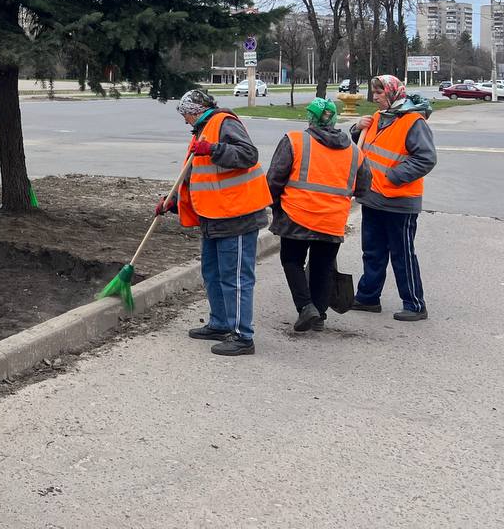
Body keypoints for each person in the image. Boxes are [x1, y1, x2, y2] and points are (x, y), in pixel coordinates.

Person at [158, 88, 271, 356]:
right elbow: (197, 176)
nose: (184, 120)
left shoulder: (224, 123)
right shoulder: (202, 130)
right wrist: (172, 202)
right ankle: (220, 323)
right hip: (214, 216)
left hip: (238, 216)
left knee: (237, 278)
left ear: (194, 111)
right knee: (213, 273)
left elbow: (247, 155)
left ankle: (243, 337)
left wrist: (213, 149)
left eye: (185, 115)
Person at [266, 98, 371, 332]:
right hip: (333, 219)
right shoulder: (354, 151)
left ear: (310, 118)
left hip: (297, 215)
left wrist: (272, 204)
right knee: (323, 266)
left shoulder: (295, 141)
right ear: (334, 119)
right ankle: (320, 315)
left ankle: (306, 308)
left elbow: (274, 178)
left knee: (292, 260)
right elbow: (363, 187)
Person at [349, 74, 437, 321]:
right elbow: (364, 147)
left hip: (399, 200)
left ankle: (414, 304)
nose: (375, 97)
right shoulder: (378, 117)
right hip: (373, 197)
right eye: (374, 92)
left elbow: (426, 158)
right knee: (373, 251)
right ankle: (368, 297)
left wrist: (394, 175)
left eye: (379, 93)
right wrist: (356, 129)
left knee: (402, 254)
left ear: (393, 93)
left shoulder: (413, 121)